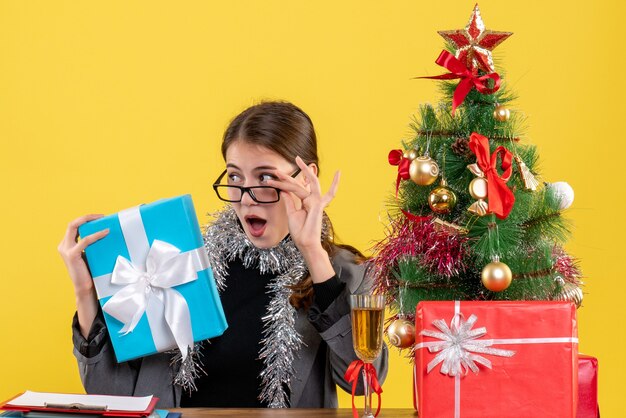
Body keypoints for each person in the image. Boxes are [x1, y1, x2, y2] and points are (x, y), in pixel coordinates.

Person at [58, 101, 388, 408]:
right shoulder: (178, 262)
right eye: (234, 177)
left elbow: (365, 381)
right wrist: (85, 293)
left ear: (306, 178)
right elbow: (114, 395)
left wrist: (313, 253)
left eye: (266, 177)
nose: (246, 197)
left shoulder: (344, 274)